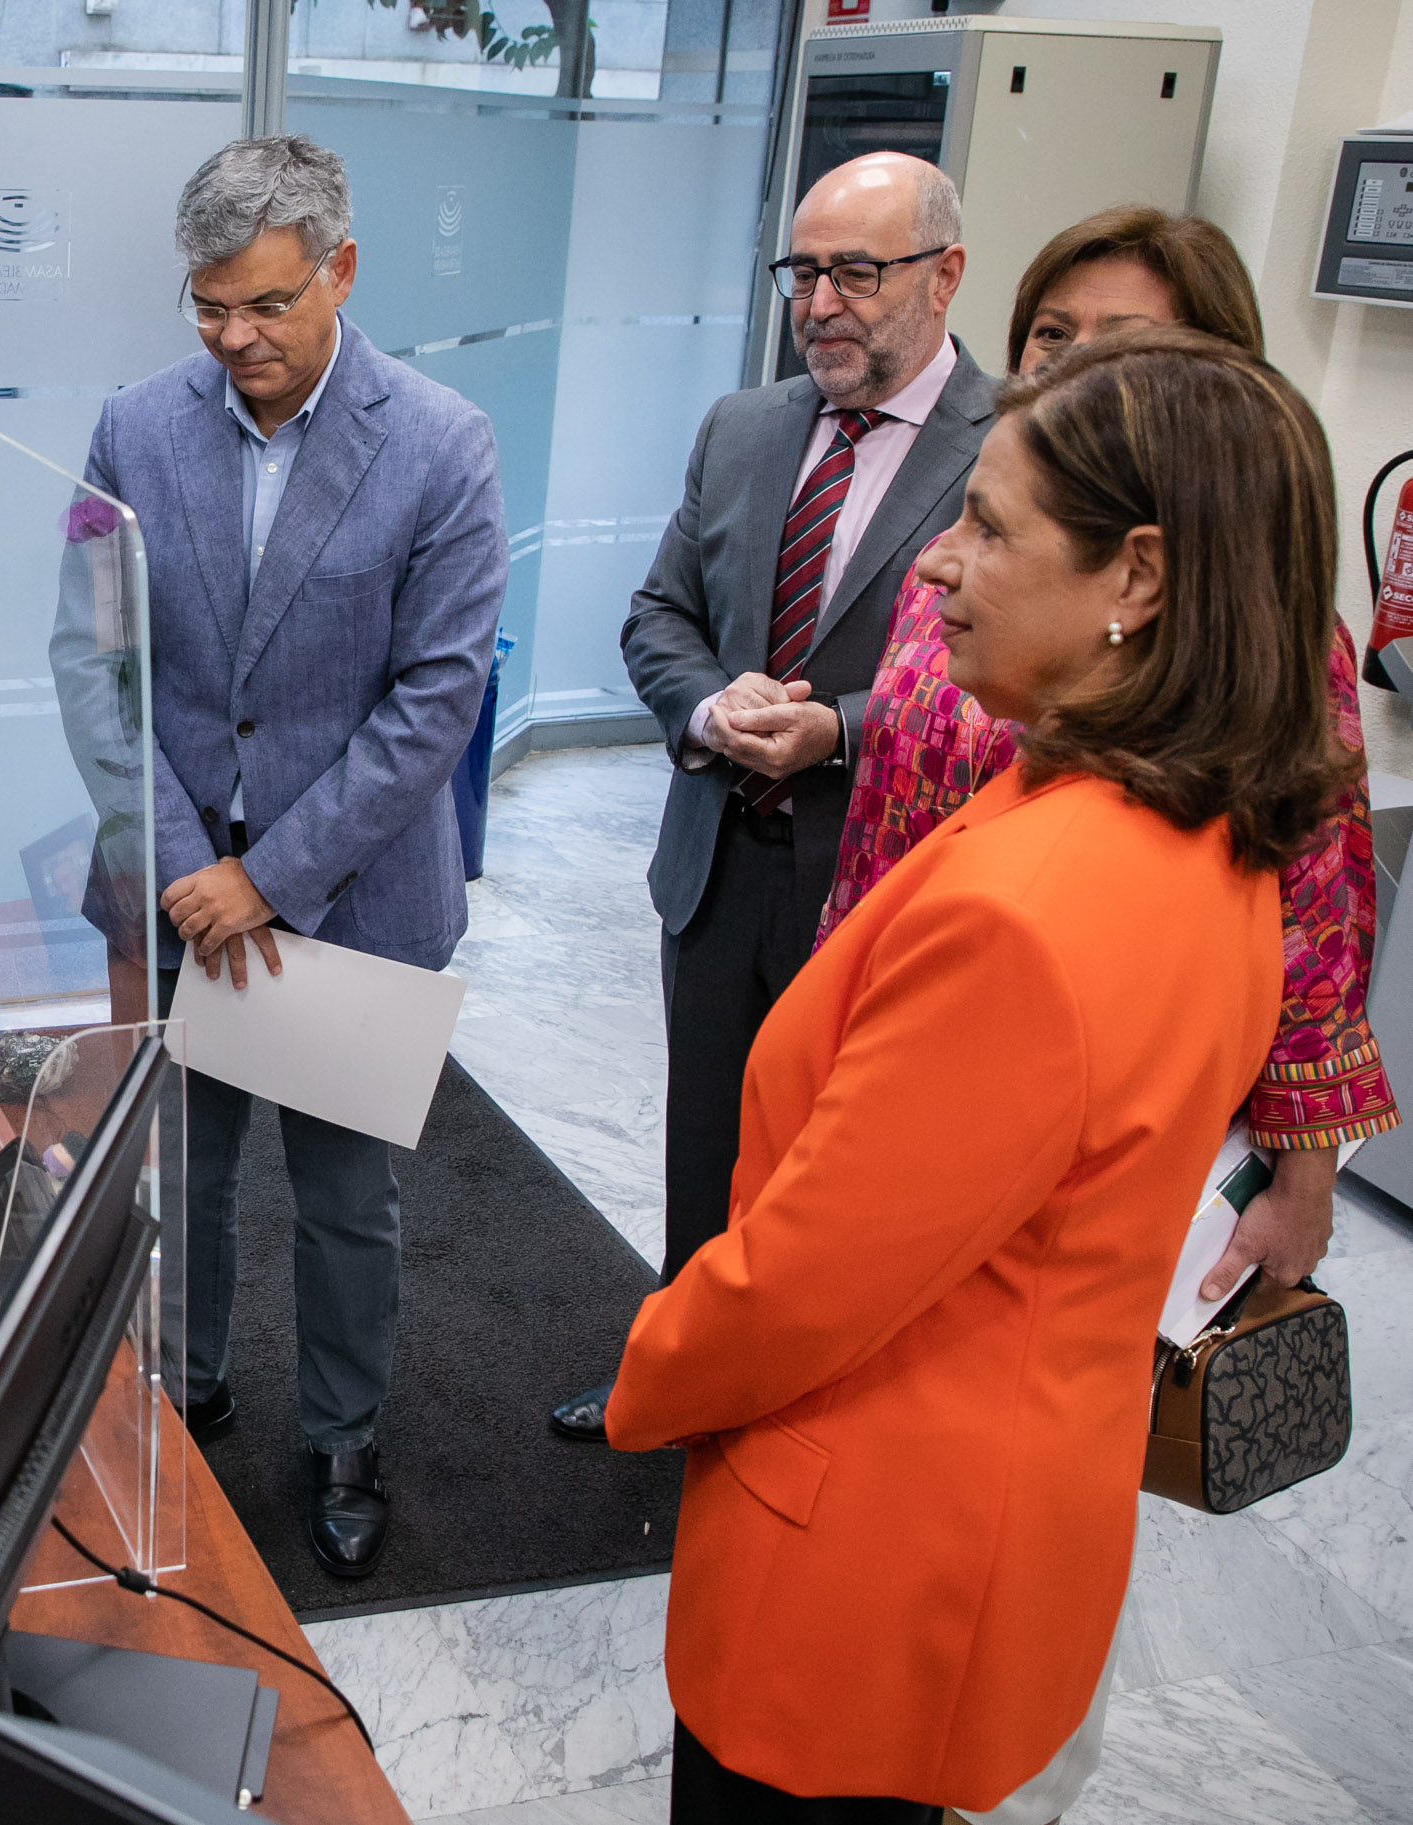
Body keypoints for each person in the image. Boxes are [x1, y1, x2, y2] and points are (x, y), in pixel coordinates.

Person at [610, 326, 1352, 1821]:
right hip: (1005, 1509)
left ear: (1135, 580)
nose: (933, 564)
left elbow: (807, 1284)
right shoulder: (1192, 834)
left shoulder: (1035, 911)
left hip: (867, 1561)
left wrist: (652, 1366)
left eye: (987, 527)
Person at [820, 207, 1394, 1317]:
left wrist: (1302, 1174)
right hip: (897, 1016)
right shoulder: (962, 559)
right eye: (1049, 334)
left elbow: (1315, 911)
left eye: (1121, 339)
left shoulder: (1260, 630)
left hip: (1055, 1087)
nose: (1071, 363)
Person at [67, 136, 506, 1577]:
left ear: (342, 269)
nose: (235, 338)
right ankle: (182, 1390)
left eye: (265, 304)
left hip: (350, 893)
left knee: (341, 1204)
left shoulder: (440, 442)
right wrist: (190, 857)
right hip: (172, 882)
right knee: (178, 1176)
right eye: (208, 308)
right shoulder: (134, 428)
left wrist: (268, 875)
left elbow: (437, 697)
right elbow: (90, 657)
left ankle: (342, 1436)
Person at [554, 151, 996, 1442]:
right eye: (803, 273)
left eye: (854, 272)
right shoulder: (744, 428)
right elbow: (658, 613)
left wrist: (841, 733)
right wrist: (709, 711)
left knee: (830, 1181)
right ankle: (679, 1381)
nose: (819, 304)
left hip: (879, 887)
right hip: (715, 868)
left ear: (943, 274)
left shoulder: (1013, 448)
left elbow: (1018, 696)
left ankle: (793, 1419)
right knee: (704, 1148)